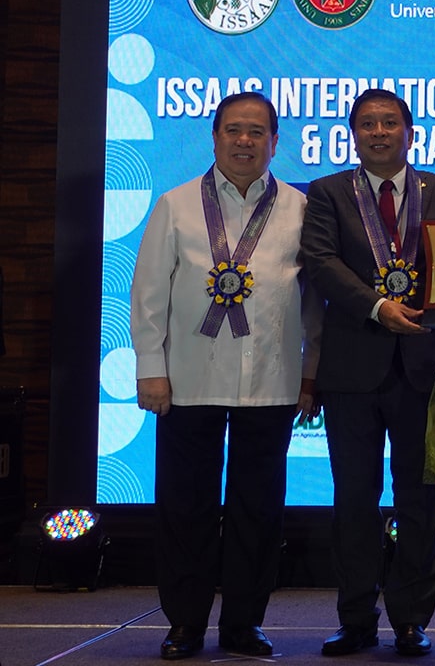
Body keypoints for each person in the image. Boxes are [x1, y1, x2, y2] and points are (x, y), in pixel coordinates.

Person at [300, 88, 435, 658]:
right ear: (353, 134)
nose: (379, 132)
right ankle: (356, 618)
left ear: (409, 132)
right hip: (352, 367)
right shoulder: (328, 192)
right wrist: (378, 305)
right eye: (367, 124)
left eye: (389, 122)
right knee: (353, 502)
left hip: (428, 367)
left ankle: (411, 618)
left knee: (423, 501)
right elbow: (322, 263)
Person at [131, 91, 321, 661]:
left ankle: (243, 624)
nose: (244, 141)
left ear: (274, 142)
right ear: (213, 137)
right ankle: (185, 623)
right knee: (184, 507)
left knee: (257, 511)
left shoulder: (300, 208)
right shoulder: (176, 204)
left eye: (256, 132)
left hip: (272, 379)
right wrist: (150, 369)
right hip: (187, 379)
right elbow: (146, 295)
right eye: (234, 130)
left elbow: (313, 304)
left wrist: (309, 375)